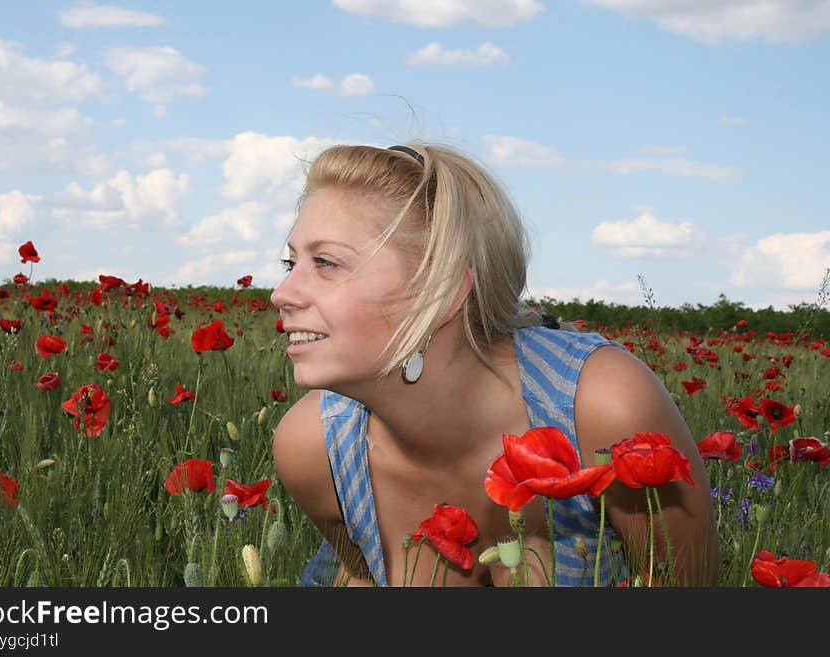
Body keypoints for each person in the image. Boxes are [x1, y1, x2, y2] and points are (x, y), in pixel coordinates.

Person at [269, 142, 719, 587]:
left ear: (440, 293)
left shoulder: (602, 409)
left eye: (325, 263)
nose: (282, 293)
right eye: (291, 263)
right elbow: (360, 579)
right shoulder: (314, 449)